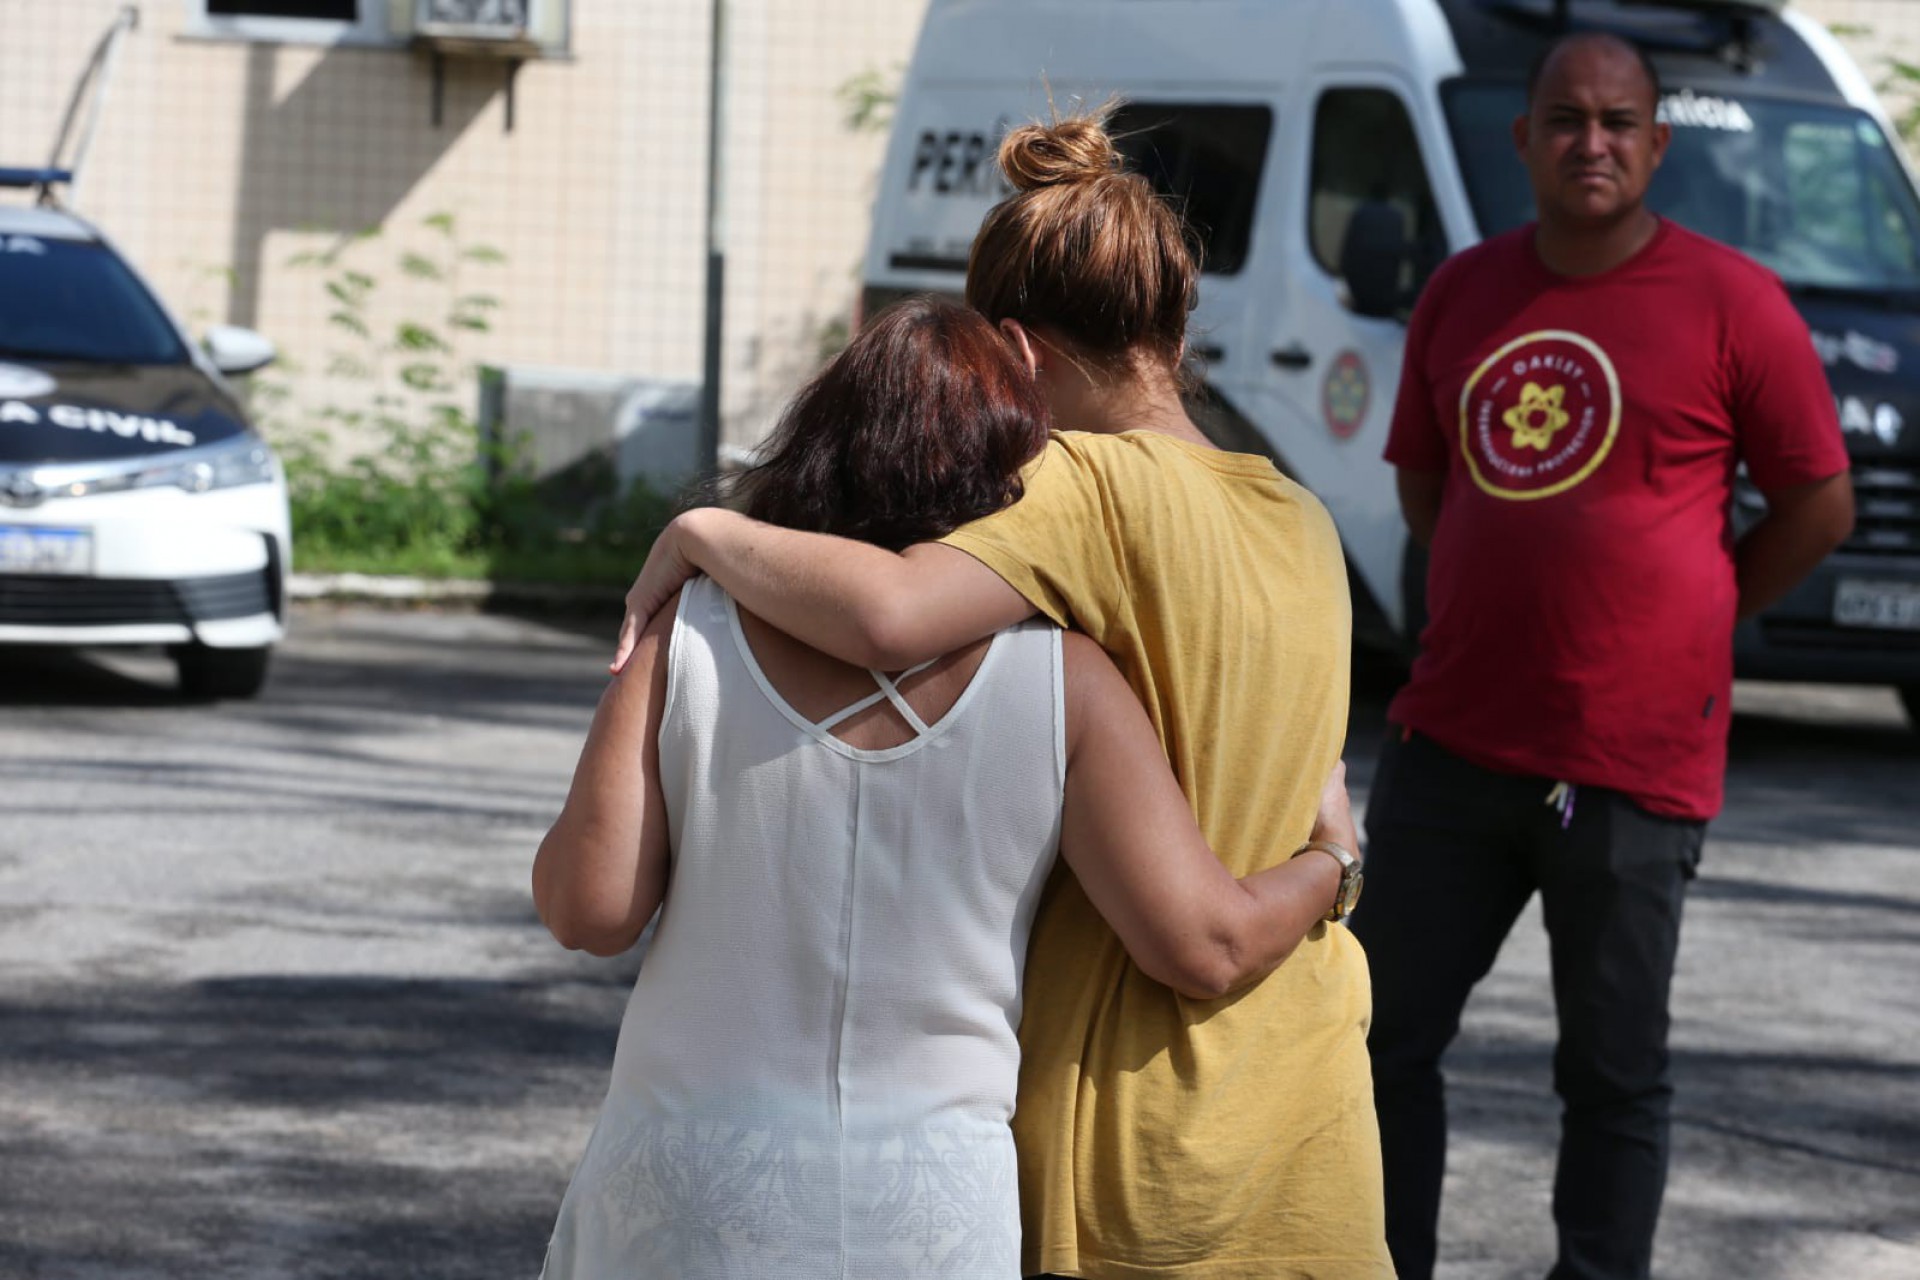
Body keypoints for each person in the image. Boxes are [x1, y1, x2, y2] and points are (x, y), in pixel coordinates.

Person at [612, 112, 1391, 1277]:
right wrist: (1336, 861)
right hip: (1311, 1102)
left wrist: (704, 532)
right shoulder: (1300, 513)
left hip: (1139, 1128)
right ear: (1176, 329)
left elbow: (888, 615)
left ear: (1015, 353)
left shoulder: (1080, 481)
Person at [1355, 31, 1855, 1280]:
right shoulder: (1463, 292)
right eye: (1567, 120)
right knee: (1372, 1038)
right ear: (1524, 139)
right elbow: (1428, 485)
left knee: (1613, 1073)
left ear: (1657, 143)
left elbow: (1820, 504)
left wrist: (1703, 606)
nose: (1593, 142)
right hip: (1454, 743)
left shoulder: (1736, 301)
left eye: (1619, 122)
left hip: (1631, 763)